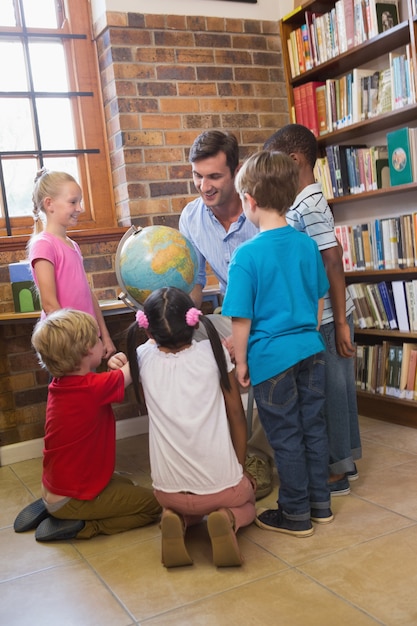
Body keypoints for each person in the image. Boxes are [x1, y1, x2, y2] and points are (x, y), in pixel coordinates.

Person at [222, 150, 332, 537]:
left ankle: (296, 513)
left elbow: (241, 318)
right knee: (313, 429)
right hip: (312, 350)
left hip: (272, 359)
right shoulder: (305, 245)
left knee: (285, 436)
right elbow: (319, 299)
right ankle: (321, 505)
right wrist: (307, 334)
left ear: (249, 201)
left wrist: (242, 363)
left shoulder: (245, 255)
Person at [108, 287, 256, 567]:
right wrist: (239, 467)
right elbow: (236, 415)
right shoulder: (213, 353)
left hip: (167, 492)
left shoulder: (141, 358)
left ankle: (175, 518)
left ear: (148, 331)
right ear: (195, 321)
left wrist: (115, 361)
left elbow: (125, 373)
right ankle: (228, 519)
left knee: (189, 504)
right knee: (247, 497)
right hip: (220, 487)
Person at [263, 124, 362, 495]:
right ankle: (341, 462)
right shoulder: (300, 203)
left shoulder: (310, 204)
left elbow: (333, 263)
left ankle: (337, 469)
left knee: (333, 392)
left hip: (329, 318)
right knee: (327, 391)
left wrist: (339, 323)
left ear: (294, 160)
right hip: (318, 316)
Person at [179, 130, 273, 498]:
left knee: (266, 350)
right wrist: (190, 324)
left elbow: (275, 288)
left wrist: (241, 339)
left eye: (214, 176)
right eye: (198, 176)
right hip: (231, 314)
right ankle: (213, 449)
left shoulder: (261, 211)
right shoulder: (191, 217)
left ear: (234, 172)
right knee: (187, 340)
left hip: (268, 317)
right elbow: (195, 282)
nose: (205, 186)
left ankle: (259, 455)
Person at [13, 308, 161, 541]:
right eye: (97, 338)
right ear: (86, 350)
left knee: (124, 481)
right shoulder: (92, 389)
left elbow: (108, 380)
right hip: (72, 498)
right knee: (154, 506)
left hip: (56, 487)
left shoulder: (62, 385)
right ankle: (83, 525)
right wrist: (153, 343)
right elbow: (134, 366)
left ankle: (55, 507)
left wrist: (113, 364)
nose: (102, 341)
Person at [27, 168, 115, 358]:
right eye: (73, 202)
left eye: (80, 202)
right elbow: (50, 305)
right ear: (49, 204)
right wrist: (77, 342)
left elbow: (87, 294)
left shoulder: (73, 245)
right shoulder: (43, 245)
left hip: (86, 342)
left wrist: (104, 337)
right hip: (67, 345)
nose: (80, 208)